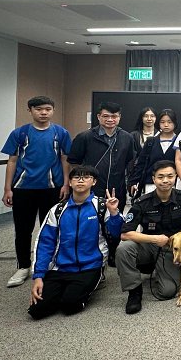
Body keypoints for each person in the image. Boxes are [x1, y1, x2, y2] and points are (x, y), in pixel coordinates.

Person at [116, 160, 181, 314]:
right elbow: (125, 234)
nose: (165, 180)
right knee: (124, 249)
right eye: (160, 177)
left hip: (171, 250)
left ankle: (156, 269)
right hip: (148, 245)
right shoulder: (142, 202)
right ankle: (134, 291)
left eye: (170, 176)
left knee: (168, 292)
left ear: (176, 178)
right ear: (153, 179)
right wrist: (154, 239)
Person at [28, 165, 116, 319]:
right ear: (69, 182)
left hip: (90, 266)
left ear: (94, 182)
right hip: (60, 268)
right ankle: (60, 292)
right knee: (37, 311)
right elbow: (45, 243)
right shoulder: (57, 210)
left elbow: (117, 234)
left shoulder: (102, 206)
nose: (81, 180)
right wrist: (38, 276)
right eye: (76, 177)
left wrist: (114, 214)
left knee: (70, 305)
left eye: (86, 177)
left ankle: (90, 283)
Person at [1, 95, 72, 287]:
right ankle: (23, 266)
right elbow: (12, 161)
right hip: (23, 189)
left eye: (47, 109)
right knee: (23, 230)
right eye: (39, 109)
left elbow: (65, 159)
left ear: (53, 111)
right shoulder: (20, 133)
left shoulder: (61, 133)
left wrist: (66, 184)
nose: (43, 113)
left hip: (52, 189)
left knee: (51, 229)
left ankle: (48, 264)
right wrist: (7, 188)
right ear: (30, 110)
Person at [68, 101, 136, 263]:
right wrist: (82, 181)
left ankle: (112, 253)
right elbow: (73, 162)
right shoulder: (85, 137)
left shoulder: (126, 137)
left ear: (119, 117)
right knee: (90, 221)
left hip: (116, 188)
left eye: (114, 116)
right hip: (91, 189)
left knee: (115, 221)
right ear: (98, 117)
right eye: (106, 116)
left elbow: (129, 161)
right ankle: (89, 254)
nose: (110, 119)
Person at [129, 108, 177, 196]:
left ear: (174, 123)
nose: (166, 125)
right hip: (151, 184)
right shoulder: (151, 141)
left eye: (169, 122)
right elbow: (141, 164)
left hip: (174, 184)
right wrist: (134, 181)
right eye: (162, 122)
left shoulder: (180, 141)